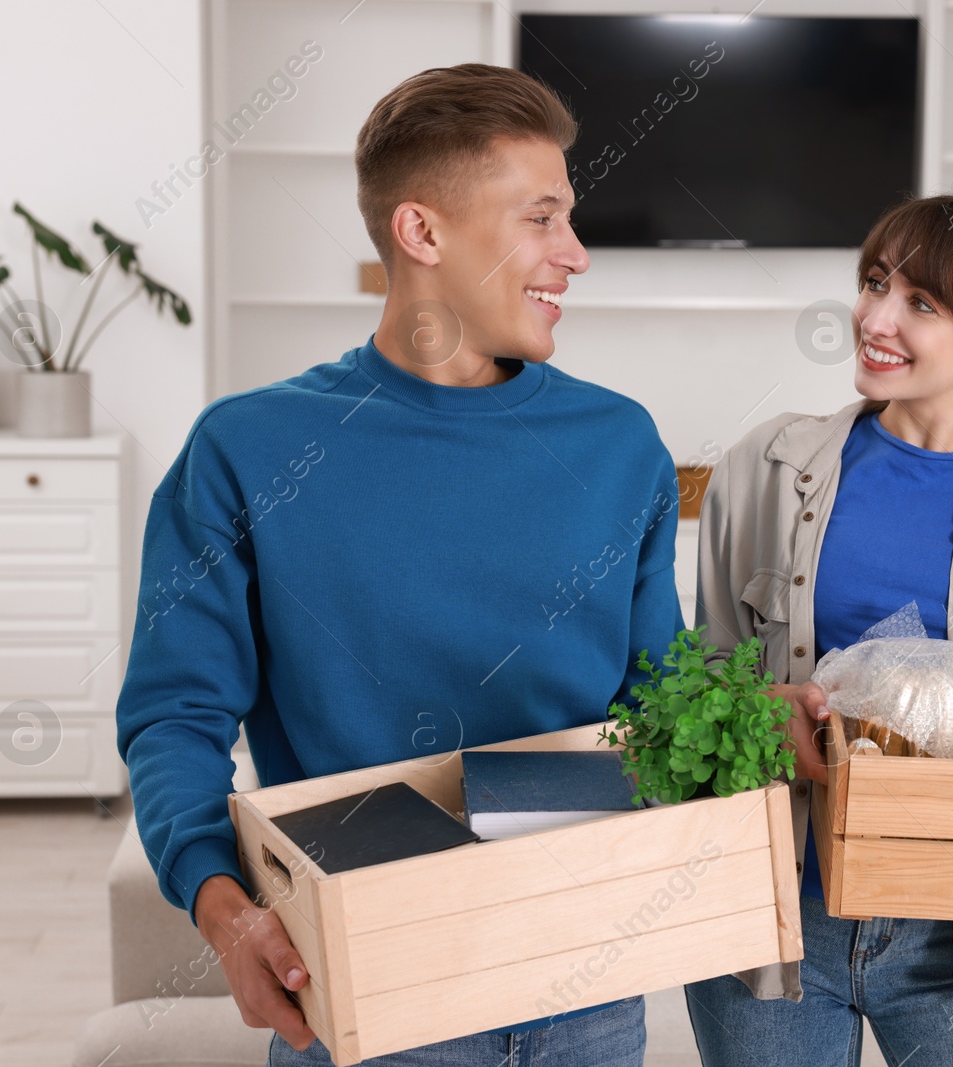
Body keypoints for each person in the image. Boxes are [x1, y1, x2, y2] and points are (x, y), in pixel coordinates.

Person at [115, 63, 683, 1067]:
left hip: (588, 986)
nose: (576, 254)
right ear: (421, 234)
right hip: (367, 987)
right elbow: (175, 713)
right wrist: (225, 909)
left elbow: (659, 694)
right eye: (541, 218)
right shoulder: (247, 449)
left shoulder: (620, 444)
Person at [685, 194, 953, 1066]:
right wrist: (757, 707)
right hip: (777, 924)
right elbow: (703, 675)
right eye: (876, 283)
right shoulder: (767, 468)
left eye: (922, 304)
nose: (877, 318)